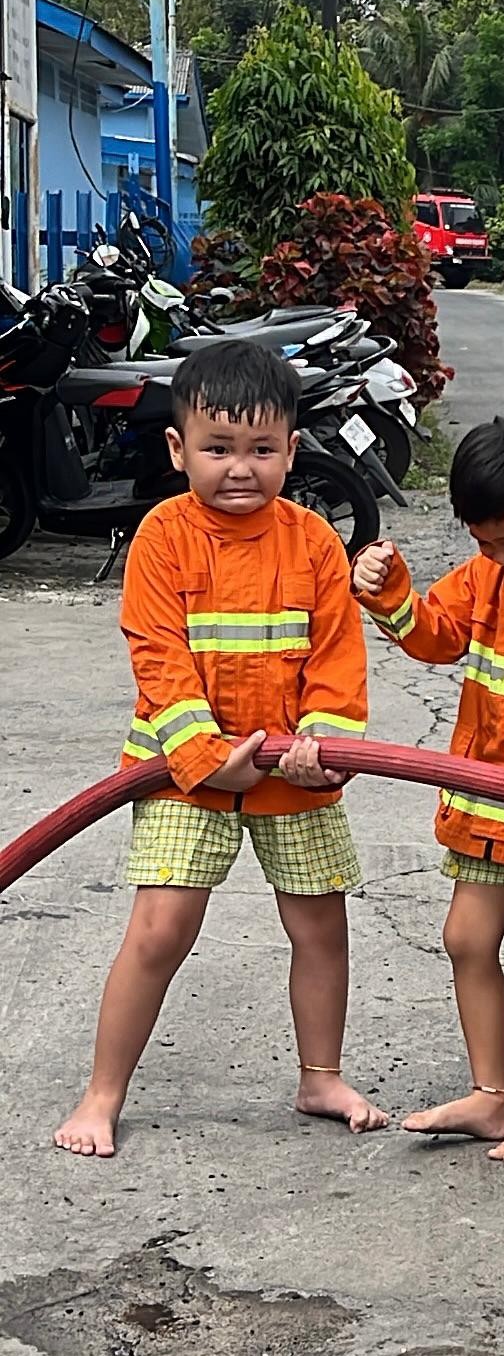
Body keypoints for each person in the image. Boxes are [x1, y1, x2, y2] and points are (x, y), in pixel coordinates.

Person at [55, 338, 385, 1157]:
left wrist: (325, 740)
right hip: (181, 775)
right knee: (160, 929)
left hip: (293, 775)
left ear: (292, 450)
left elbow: (337, 654)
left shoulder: (312, 543)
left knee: (320, 927)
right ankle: (102, 1095)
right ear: (178, 449)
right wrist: (206, 754)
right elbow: (159, 658)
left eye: (263, 450)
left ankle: (320, 1075)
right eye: (218, 449)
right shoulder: (163, 538)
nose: (241, 468)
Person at [353, 417, 504, 1165]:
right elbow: (435, 636)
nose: (498, 559)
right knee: (465, 937)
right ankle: (492, 1098)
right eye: (484, 544)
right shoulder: (486, 576)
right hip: (491, 794)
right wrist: (392, 593)